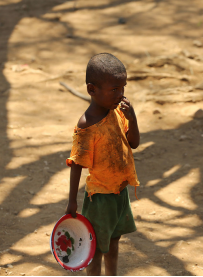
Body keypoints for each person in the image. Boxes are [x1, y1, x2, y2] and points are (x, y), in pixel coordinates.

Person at [65, 53, 140, 276]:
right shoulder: (87, 125)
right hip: (100, 197)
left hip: (119, 192)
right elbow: (77, 163)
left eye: (123, 88)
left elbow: (134, 143)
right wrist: (72, 201)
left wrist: (133, 118)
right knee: (96, 247)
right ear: (92, 89)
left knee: (114, 242)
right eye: (114, 89)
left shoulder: (119, 112)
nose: (121, 94)